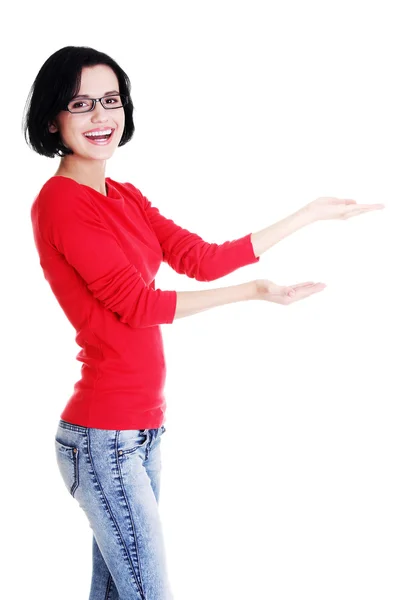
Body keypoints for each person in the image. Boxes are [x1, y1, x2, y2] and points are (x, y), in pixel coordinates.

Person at [22, 45, 385, 600]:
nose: (101, 116)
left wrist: (308, 215)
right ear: (53, 117)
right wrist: (254, 293)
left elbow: (201, 257)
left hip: (141, 433)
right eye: (81, 103)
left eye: (111, 100)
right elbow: (137, 305)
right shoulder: (62, 202)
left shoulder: (124, 196)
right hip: (103, 437)